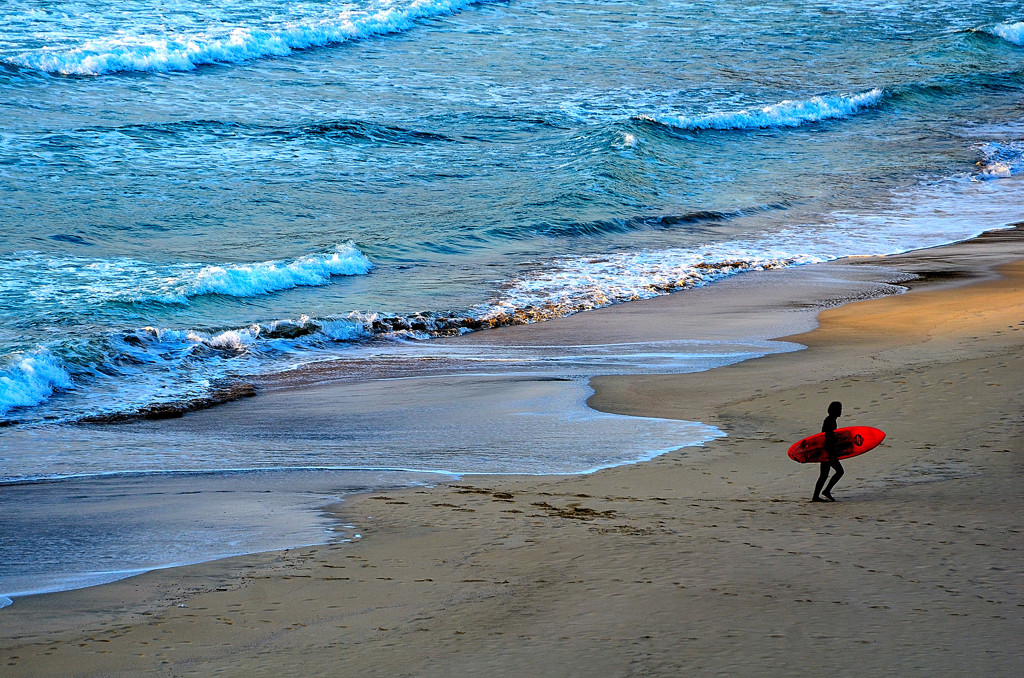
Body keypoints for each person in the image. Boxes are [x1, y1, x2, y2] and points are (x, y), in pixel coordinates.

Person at [812, 401, 844, 502]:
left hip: (826, 451)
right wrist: (833, 451)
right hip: (828, 452)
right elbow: (828, 438)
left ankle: (818, 495)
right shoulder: (830, 421)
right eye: (839, 409)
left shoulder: (831, 420)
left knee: (824, 475)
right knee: (839, 471)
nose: (841, 411)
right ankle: (825, 491)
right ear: (835, 410)